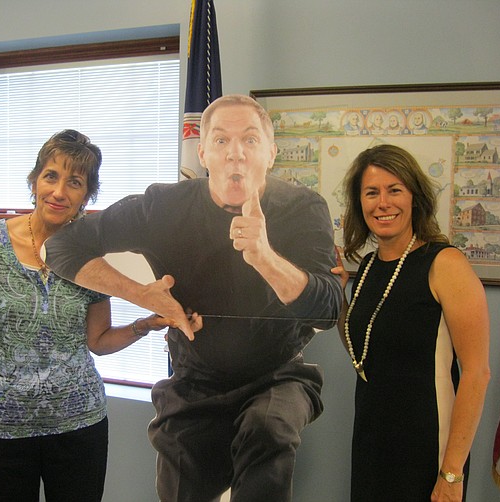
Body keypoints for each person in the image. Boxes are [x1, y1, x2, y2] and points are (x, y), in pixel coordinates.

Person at [43, 94, 343, 501]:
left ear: (271, 154)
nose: (235, 154)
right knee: (182, 475)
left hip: (278, 376)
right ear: (202, 153)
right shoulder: (164, 206)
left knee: (268, 428)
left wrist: (265, 258)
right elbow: (61, 248)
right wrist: (144, 296)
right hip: (195, 381)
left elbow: (327, 310)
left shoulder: (303, 208)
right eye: (220, 141)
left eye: (250, 140)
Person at [0, 129, 170, 502]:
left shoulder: (90, 256)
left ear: (87, 195)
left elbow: (97, 342)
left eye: (75, 182)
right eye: (51, 176)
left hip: (80, 427)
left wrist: (143, 325)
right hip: (2, 430)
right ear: (35, 180)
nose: (59, 192)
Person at [334, 144, 490, 502]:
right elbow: (363, 354)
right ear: (360, 203)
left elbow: (478, 374)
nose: (382, 203)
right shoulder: (370, 267)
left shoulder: (445, 264)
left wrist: (452, 474)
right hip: (372, 446)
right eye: (371, 192)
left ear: (414, 198)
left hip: (428, 453)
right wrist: (340, 298)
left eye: (394, 190)